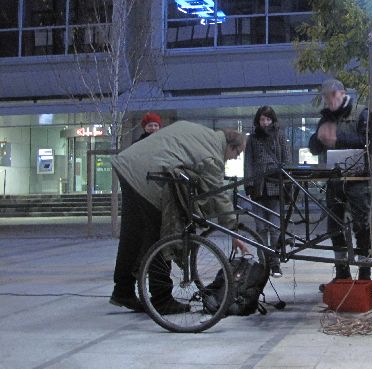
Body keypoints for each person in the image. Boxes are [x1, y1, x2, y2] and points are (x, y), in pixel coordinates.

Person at [109, 121, 246, 313]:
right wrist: (233, 231)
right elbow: (219, 195)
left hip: (130, 166)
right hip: (144, 176)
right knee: (160, 237)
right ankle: (161, 299)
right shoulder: (212, 155)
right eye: (237, 153)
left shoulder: (204, 134)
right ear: (231, 146)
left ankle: (122, 291)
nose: (235, 158)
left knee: (133, 236)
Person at [308, 79, 371, 283]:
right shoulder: (326, 118)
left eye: (332, 97)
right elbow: (314, 148)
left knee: (361, 225)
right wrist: (318, 138)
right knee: (334, 226)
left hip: (358, 178)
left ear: (343, 93)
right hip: (334, 179)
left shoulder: (361, 113)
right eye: (326, 99)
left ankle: (365, 273)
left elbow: (368, 142)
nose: (329, 102)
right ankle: (342, 273)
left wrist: (337, 139)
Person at [244, 106, 290, 278]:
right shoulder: (253, 138)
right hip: (258, 187)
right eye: (262, 119)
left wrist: (287, 184)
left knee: (275, 227)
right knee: (260, 228)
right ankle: (264, 262)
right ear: (258, 120)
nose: (265, 122)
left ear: (273, 120)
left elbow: (286, 160)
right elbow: (248, 162)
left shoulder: (280, 136)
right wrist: (248, 185)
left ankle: (275, 263)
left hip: (276, 186)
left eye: (268, 119)